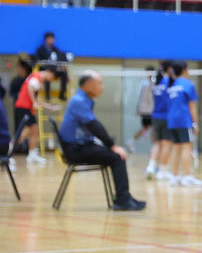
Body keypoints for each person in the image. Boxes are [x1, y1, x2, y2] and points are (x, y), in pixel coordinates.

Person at [58, 71, 146, 211]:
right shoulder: (79, 101)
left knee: (114, 153)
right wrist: (112, 145)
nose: (102, 87)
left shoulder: (82, 99)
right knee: (118, 157)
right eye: (99, 83)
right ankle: (123, 200)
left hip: (79, 146)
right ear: (88, 85)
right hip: (75, 150)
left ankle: (125, 197)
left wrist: (109, 143)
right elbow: (94, 126)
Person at [164, 61, 202, 187]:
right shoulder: (188, 84)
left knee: (176, 148)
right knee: (187, 147)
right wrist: (195, 123)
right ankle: (187, 177)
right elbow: (192, 107)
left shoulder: (171, 85)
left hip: (171, 121)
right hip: (184, 121)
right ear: (185, 70)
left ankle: (174, 177)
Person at [13, 65, 57, 164]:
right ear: (49, 72)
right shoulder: (37, 77)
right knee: (26, 131)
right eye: (53, 76)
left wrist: (48, 106)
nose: (51, 79)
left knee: (35, 131)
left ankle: (32, 154)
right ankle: (9, 151)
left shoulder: (36, 77)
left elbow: (34, 96)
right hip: (23, 107)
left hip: (26, 108)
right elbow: (30, 87)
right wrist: (34, 102)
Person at [145, 62, 173, 180]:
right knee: (166, 144)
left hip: (155, 116)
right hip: (166, 117)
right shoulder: (168, 82)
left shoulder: (156, 83)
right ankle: (163, 170)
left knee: (157, 143)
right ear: (169, 69)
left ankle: (151, 167)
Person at [32, 31, 70, 101]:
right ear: (46, 39)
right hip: (44, 70)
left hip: (54, 70)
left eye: (52, 39)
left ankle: (62, 94)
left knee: (64, 73)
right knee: (47, 73)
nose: (51, 40)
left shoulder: (56, 49)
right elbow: (37, 60)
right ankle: (47, 95)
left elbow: (59, 59)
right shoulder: (40, 49)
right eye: (50, 39)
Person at [128, 66, 156, 153]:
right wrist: (139, 110)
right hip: (147, 111)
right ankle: (132, 141)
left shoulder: (153, 82)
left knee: (149, 128)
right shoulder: (145, 84)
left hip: (150, 110)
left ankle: (154, 147)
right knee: (148, 128)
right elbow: (142, 98)